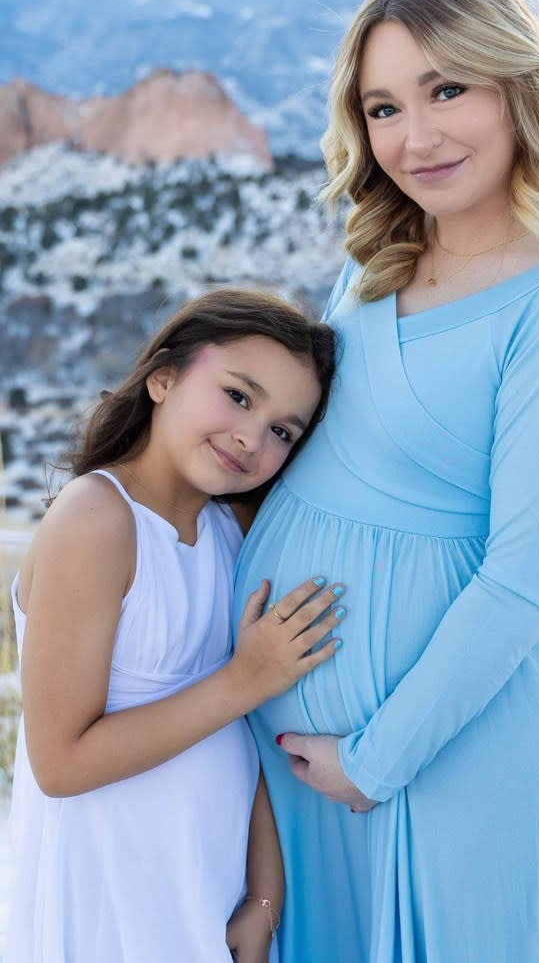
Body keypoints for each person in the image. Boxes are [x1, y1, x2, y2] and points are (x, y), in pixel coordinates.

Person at [232, 0, 539, 963]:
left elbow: (522, 581)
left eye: (447, 89)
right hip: (309, 777)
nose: (413, 138)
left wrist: (375, 761)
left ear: (517, 87)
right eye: (383, 107)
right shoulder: (376, 258)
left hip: (455, 763)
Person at [7, 289, 346, 963]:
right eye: (239, 396)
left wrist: (263, 897)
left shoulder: (233, 534)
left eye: (284, 430)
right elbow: (61, 761)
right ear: (163, 377)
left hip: (212, 892)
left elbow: (244, 740)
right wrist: (244, 679)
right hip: (112, 897)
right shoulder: (97, 519)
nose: (253, 437)